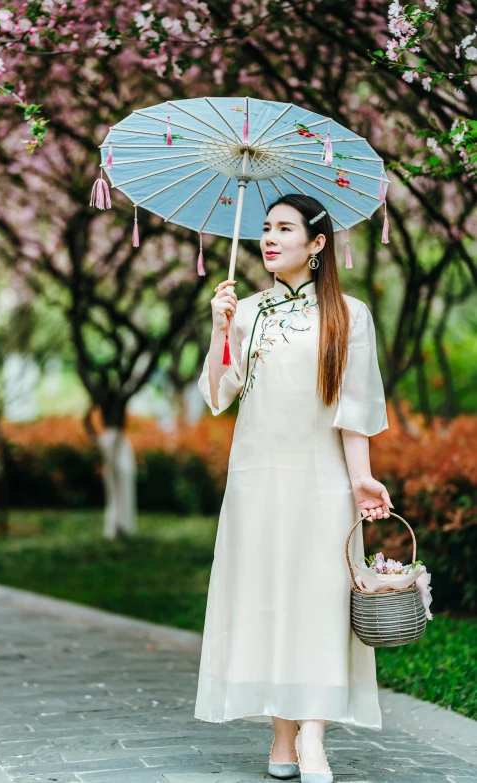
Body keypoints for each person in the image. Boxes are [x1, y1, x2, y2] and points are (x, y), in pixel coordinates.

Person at [194, 193, 393, 783]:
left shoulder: (350, 315)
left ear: (318, 243)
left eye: (285, 228)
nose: (270, 239)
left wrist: (361, 481)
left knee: (318, 604)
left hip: (320, 480)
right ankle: (281, 740)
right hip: (257, 479)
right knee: (269, 601)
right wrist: (219, 328)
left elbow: (354, 409)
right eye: (265, 229)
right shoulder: (247, 311)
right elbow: (218, 394)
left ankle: (312, 739)